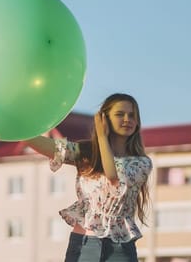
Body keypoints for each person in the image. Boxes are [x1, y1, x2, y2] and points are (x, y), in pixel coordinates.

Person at [24, 93, 152, 262]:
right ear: (104, 119)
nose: (127, 119)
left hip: (120, 249)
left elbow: (113, 176)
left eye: (132, 115)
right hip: (84, 244)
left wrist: (101, 137)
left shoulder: (141, 163)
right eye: (120, 114)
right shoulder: (86, 152)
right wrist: (17, 131)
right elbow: (52, 148)